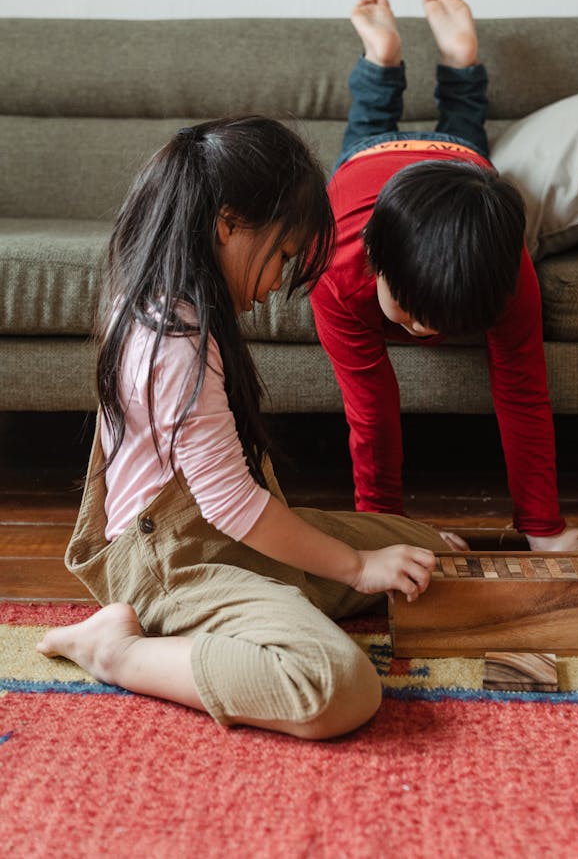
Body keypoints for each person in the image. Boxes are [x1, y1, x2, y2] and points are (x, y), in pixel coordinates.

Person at [37, 115, 450, 740]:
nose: (282, 278)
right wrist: (358, 567)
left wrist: (362, 559)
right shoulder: (171, 338)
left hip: (224, 533)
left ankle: (279, 600)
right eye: (283, 254)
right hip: (172, 561)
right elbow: (232, 505)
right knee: (334, 686)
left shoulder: (178, 300)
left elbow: (231, 504)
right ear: (227, 223)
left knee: (434, 556)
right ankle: (115, 651)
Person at [310, 0, 578, 553]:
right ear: (374, 259)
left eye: (439, 324)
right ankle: (387, 58)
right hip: (370, 160)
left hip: (459, 164)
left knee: (466, 137)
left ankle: (453, 61)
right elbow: (370, 409)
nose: (421, 334)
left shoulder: (507, 272)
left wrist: (543, 528)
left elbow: (523, 390)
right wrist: (386, 529)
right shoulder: (336, 272)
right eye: (408, 314)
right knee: (368, 127)